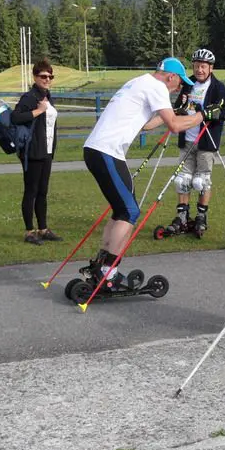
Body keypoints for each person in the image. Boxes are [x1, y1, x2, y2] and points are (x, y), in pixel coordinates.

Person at [83, 57, 205, 285]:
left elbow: (146, 124)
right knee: (129, 212)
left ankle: (100, 265)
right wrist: (200, 116)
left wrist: (175, 111)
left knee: (122, 211)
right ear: (171, 76)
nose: (178, 88)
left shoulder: (139, 82)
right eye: (179, 83)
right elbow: (175, 126)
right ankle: (107, 271)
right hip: (106, 151)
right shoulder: (158, 87)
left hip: (99, 150)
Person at [165, 48, 225, 237]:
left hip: (206, 141)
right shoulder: (188, 84)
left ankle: (201, 217)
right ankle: (182, 216)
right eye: (196, 66)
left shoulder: (218, 88)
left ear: (211, 68)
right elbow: (179, 105)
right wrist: (179, 109)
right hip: (186, 139)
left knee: (201, 181)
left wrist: (213, 113)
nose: (199, 70)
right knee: (182, 180)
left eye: (203, 66)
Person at [11, 59, 61, 245]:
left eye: (50, 76)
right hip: (32, 151)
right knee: (30, 191)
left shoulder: (48, 96)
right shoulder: (30, 97)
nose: (47, 79)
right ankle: (29, 231)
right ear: (35, 77)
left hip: (47, 151)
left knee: (43, 192)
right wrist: (38, 111)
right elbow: (15, 117)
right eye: (43, 76)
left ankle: (43, 228)